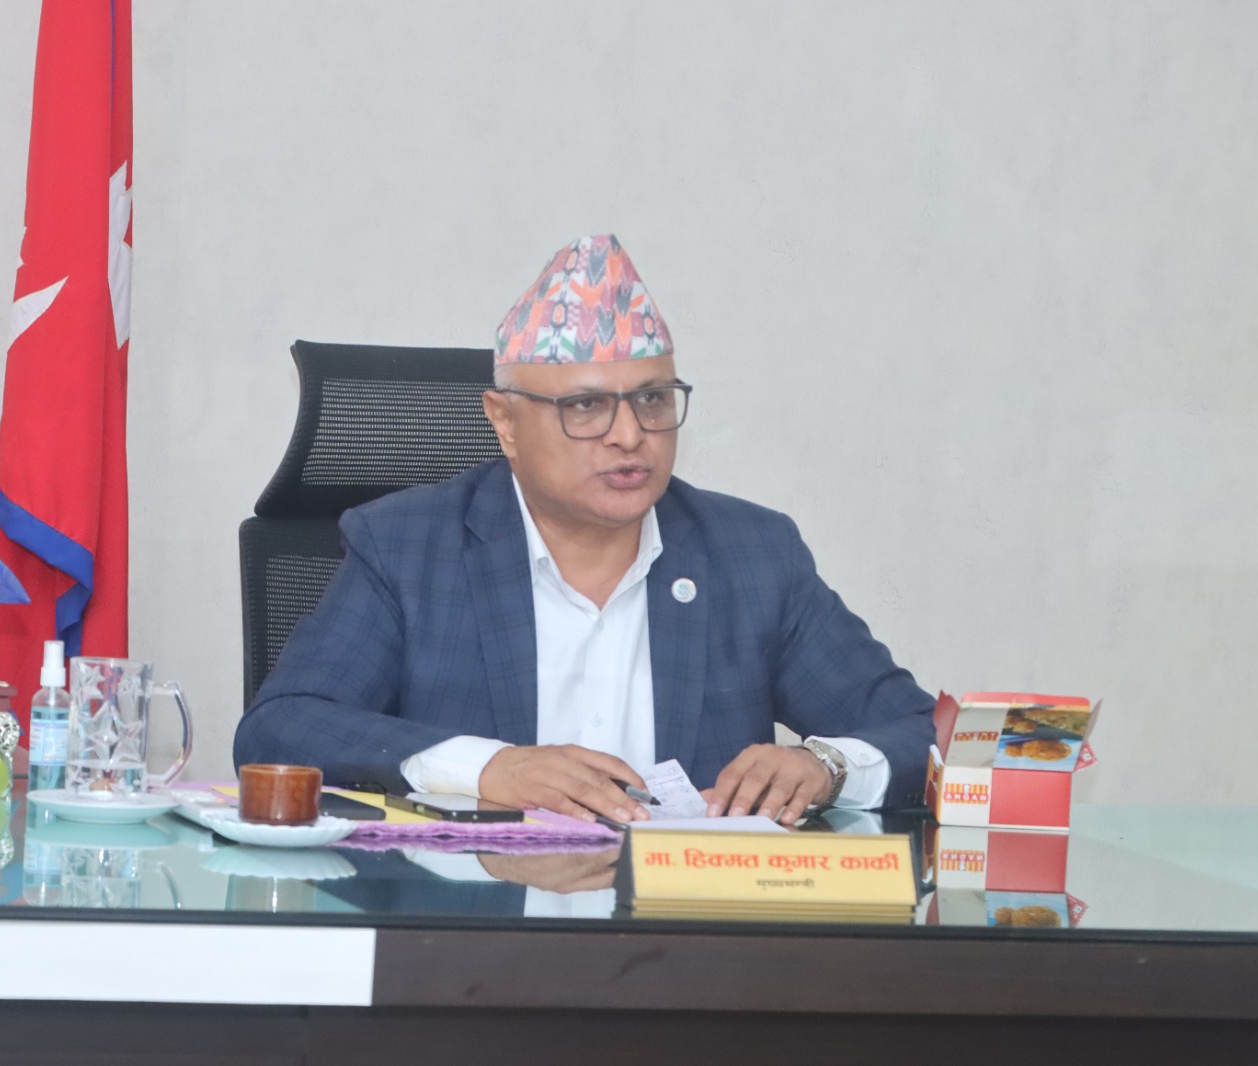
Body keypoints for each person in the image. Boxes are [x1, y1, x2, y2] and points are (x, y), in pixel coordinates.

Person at [235, 234, 934, 826]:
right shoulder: (408, 548)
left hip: (687, 932)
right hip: (470, 929)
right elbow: (280, 728)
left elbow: (924, 734)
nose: (630, 435)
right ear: (505, 422)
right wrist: (489, 769)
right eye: (587, 407)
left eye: (653, 399)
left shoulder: (751, 555)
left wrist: (828, 765)